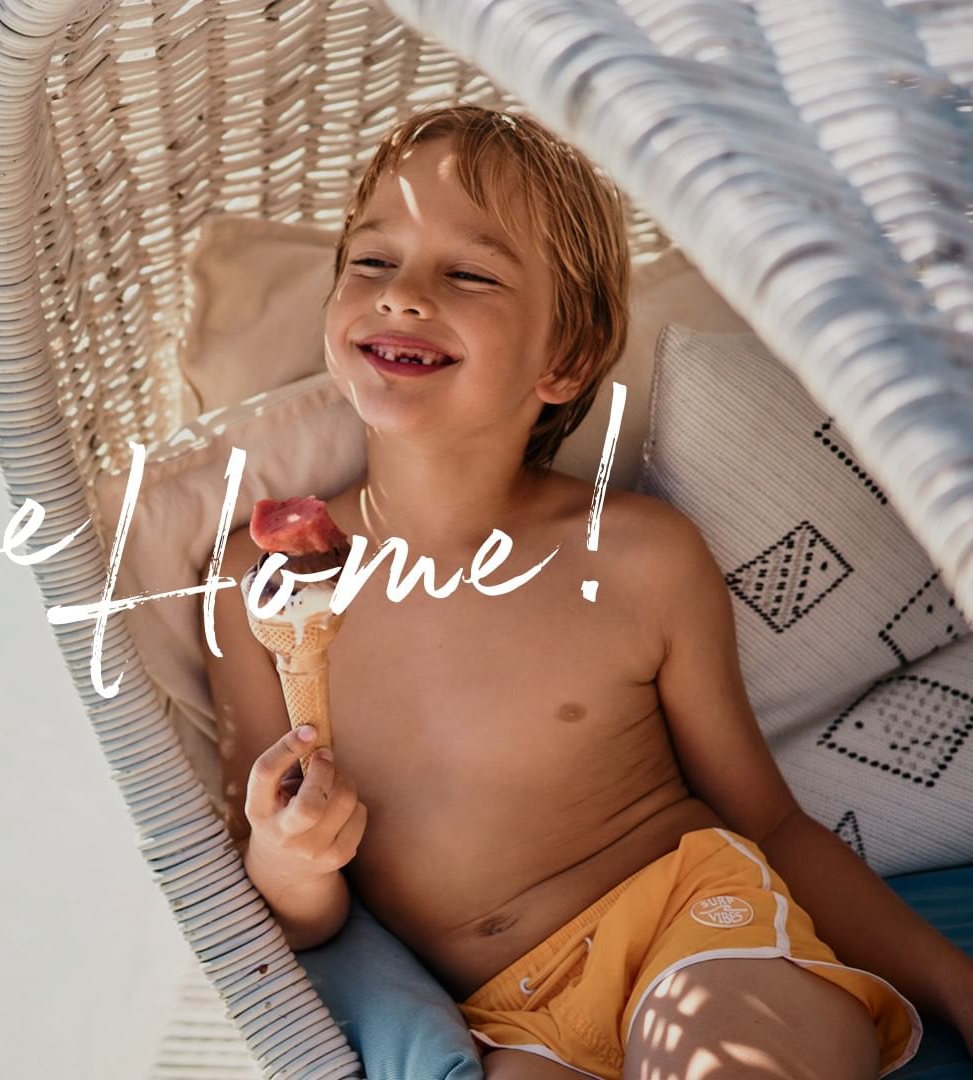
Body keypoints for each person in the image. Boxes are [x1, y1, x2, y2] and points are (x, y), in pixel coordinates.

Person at [202, 104, 972, 1080]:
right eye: (372, 260)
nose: (401, 295)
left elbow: (771, 822)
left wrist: (955, 983)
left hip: (699, 932)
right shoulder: (254, 586)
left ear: (564, 359)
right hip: (505, 1021)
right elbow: (293, 919)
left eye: (469, 274)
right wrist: (292, 854)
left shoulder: (638, 557)